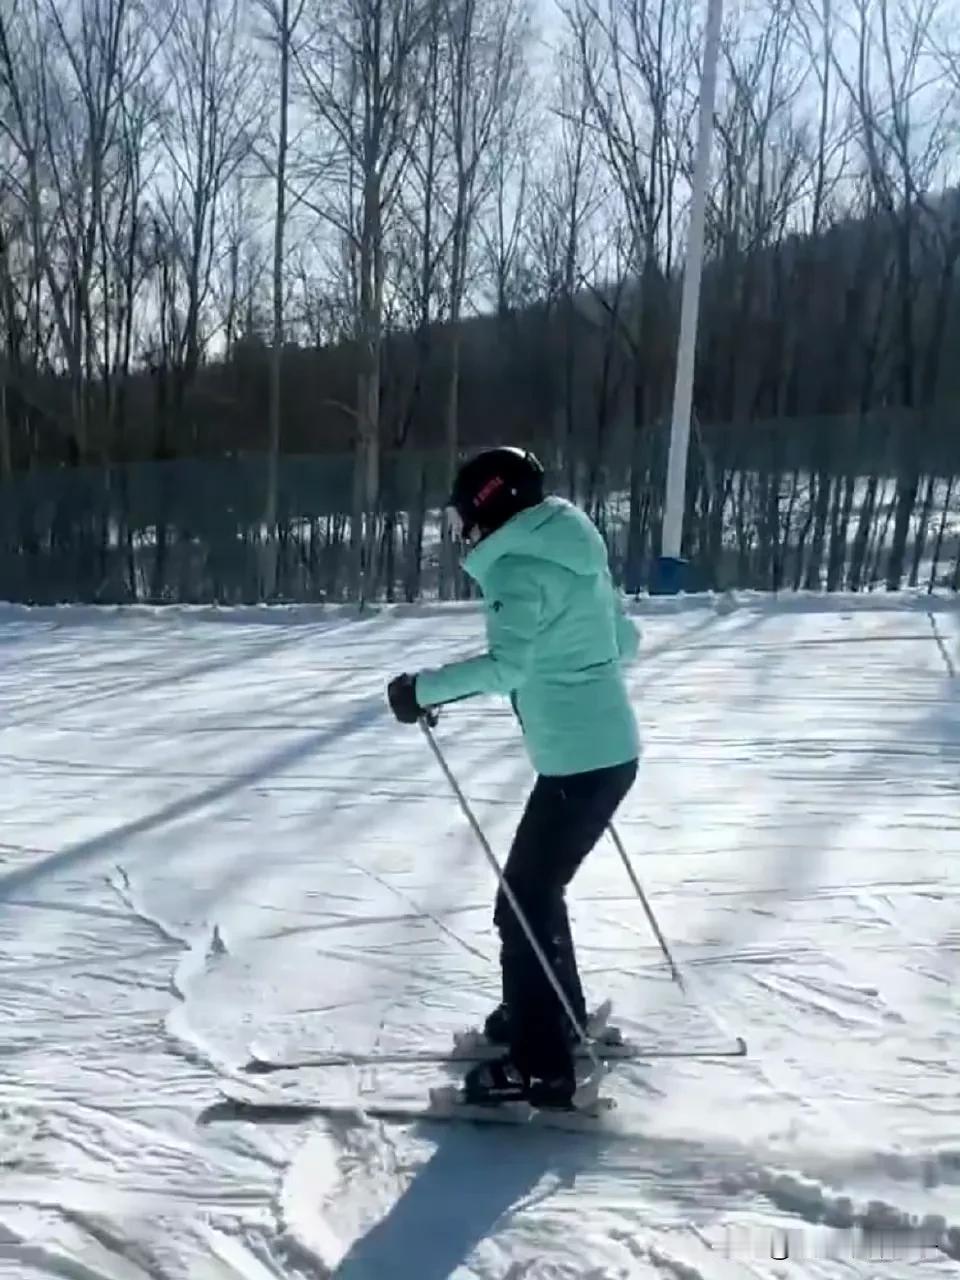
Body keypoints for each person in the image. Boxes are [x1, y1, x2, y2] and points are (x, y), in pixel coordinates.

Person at [387, 446, 640, 1109]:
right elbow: (627, 640)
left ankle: (541, 1064)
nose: (460, 530)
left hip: (579, 761)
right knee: (534, 895)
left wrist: (423, 689)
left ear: (487, 507)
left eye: (462, 516)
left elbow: (508, 668)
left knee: (523, 904)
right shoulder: (572, 550)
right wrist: (575, 664)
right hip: (603, 754)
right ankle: (555, 1015)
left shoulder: (517, 569)